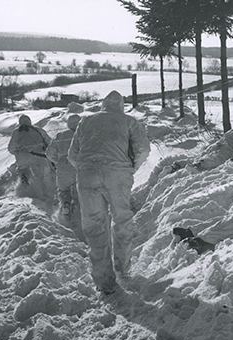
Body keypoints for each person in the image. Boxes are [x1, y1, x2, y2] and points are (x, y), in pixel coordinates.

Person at [68, 90, 150, 294]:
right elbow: (143, 150)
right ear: (121, 105)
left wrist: (85, 168)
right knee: (122, 221)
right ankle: (122, 269)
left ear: (103, 105)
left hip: (87, 175)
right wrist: (130, 168)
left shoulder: (85, 121)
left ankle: (104, 281)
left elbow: (72, 154)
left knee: (95, 225)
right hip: (118, 175)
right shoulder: (129, 121)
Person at [8, 115, 53, 200]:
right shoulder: (38, 130)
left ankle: (25, 187)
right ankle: (43, 195)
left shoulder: (16, 132)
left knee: (24, 170)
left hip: (22, 158)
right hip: (39, 156)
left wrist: (18, 152)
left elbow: (11, 148)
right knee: (39, 176)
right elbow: (49, 142)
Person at [46, 114, 81, 217]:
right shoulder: (84, 135)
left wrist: (58, 161)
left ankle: (66, 204)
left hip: (63, 166)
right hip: (80, 166)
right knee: (80, 189)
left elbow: (49, 153)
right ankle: (79, 211)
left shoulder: (60, 136)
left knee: (64, 190)